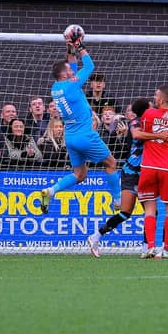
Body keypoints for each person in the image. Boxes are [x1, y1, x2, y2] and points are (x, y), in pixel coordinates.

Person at [39, 26, 121, 214]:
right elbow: (89, 66)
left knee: (80, 174)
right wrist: (79, 45)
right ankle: (117, 201)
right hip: (85, 135)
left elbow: (72, 65)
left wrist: (69, 48)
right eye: (69, 69)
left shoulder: (56, 87)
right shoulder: (73, 84)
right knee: (111, 164)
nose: (71, 69)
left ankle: (50, 191)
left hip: (71, 137)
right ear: (66, 75)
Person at [87, 98, 166, 257]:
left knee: (151, 212)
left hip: (147, 172)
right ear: (146, 109)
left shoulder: (153, 123)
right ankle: (96, 236)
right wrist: (159, 135)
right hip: (132, 172)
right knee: (125, 212)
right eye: (151, 106)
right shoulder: (135, 122)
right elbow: (137, 135)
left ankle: (146, 248)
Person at [138, 85, 168, 259]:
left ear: (162, 99)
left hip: (149, 166)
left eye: (157, 95)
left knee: (150, 209)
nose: (154, 98)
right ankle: (167, 249)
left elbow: (142, 133)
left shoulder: (148, 114)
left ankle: (150, 247)